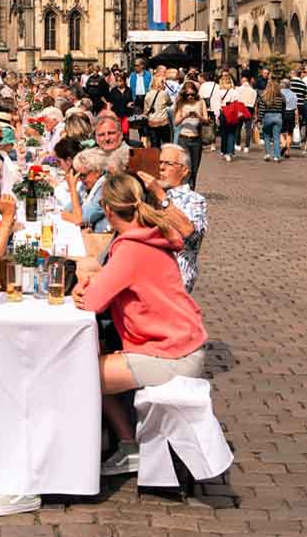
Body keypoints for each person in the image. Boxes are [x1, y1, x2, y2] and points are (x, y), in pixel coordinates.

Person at [72, 172, 207, 476]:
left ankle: (112, 447)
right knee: (98, 355)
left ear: (107, 210)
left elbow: (92, 302)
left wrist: (81, 285)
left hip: (172, 353)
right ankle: (125, 442)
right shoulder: (147, 235)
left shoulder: (130, 248)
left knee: (80, 371)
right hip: (181, 343)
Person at [137, 144, 207, 292]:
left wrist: (160, 194)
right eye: (159, 163)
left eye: (168, 164)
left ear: (184, 171)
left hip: (172, 283)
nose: (161, 168)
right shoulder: (148, 195)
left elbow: (189, 232)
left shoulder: (194, 199)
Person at [62, 147, 110, 233]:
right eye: (78, 175)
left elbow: (79, 220)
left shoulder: (105, 189)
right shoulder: (86, 186)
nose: (80, 179)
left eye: (83, 175)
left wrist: (72, 188)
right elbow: (65, 212)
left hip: (100, 239)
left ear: (97, 171)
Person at [173, 81, 208, 189]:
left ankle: (191, 190)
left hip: (196, 140)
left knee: (194, 168)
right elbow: (176, 122)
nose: (190, 97)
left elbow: (206, 120)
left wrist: (198, 116)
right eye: (188, 95)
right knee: (186, 168)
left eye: (192, 94)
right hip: (183, 139)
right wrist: (185, 116)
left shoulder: (200, 102)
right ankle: (185, 190)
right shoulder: (181, 103)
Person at [256, 81, 286, 162]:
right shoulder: (281, 97)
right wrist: (282, 118)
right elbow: (284, 109)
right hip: (278, 116)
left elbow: (261, 109)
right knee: (276, 137)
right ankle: (277, 156)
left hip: (267, 116)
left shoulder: (264, 96)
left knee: (266, 136)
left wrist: (259, 119)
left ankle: (268, 154)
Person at [143, 76, 172, 149]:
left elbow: (146, 110)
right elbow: (170, 103)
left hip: (152, 122)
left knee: (154, 144)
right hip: (163, 122)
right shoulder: (164, 93)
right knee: (166, 143)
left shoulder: (148, 94)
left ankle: (155, 159)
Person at [232, 75, 257, 152]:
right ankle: (247, 146)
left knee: (238, 128)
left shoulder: (237, 89)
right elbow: (254, 103)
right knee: (248, 128)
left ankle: (238, 144)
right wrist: (255, 114)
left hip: (240, 109)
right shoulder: (253, 91)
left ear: (242, 81)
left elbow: (235, 100)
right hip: (249, 109)